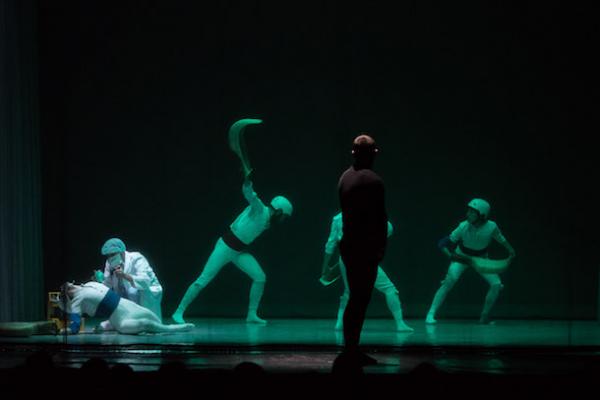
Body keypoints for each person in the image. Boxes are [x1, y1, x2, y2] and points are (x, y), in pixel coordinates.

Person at [171, 178, 292, 324]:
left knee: (260, 277)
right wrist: (247, 183)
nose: (283, 220)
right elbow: (250, 195)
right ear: (278, 211)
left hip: (239, 252)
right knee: (203, 280)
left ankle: (251, 315)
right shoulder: (260, 209)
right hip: (225, 247)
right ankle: (178, 312)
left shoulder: (267, 221)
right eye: (284, 216)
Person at [336, 134, 388, 365]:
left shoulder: (345, 177)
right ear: (373, 154)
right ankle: (351, 350)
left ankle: (351, 348)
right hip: (364, 248)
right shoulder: (373, 181)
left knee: (355, 299)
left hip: (349, 245)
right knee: (359, 299)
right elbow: (379, 218)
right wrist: (380, 248)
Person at [425, 198, 516, 325]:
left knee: (496, 284)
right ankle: (430, 314)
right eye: (468, 211)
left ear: (482, 215)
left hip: (481, 259)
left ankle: (484, 316)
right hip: (462, 257)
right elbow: (443, 243)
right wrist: (450, 255)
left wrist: (511, 250)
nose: (468, 214)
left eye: (472, 212)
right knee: (449, 281)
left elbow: (501, 238)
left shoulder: (492, 227)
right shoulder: (463, 226)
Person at [321, 212, 413, 332]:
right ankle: (400, 324)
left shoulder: (338, 217)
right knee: (389, 289)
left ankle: (340, 323)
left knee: (349, 292)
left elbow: (331, 244)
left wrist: (325, 267)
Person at [54, 281, 194, 335]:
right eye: (71, 287)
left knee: (150, 317)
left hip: (123, 308)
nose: (74, 287)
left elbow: (75, 325)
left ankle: (166, 328)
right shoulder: (84, 292)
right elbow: (75, 323)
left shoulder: (84, 290)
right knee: (146, 323)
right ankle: (171, 329)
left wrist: (64, 330)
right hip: (120, 315)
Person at [93, 238, 163, 331]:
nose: (110, 258)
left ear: (122, 252)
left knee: (150, 323)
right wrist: (99, 281)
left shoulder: (137, 258)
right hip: (126, 294)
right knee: (118, 299)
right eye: (108, 256)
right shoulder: (109, 263)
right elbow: (107, 285)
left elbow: (145, 281)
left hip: (148, 292)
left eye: (112, 255)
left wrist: (125, 276)